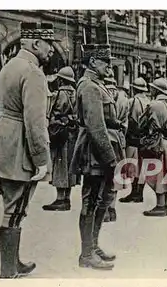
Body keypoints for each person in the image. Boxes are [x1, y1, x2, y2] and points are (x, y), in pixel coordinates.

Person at [0, 22, 57, 278]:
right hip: (20, 148)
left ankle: (14, 262)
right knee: (16, 209)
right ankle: (8, 270)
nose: (51, 51)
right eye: (48, 45)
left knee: (11, 206)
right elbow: (35, 122)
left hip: (3, 143)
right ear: (35, 43)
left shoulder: (10, 66)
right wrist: (42, 160)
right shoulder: (33, 73)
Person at [70, 44, 121, 270]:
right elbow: (96, 126)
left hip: (101, 151)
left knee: (102, 199)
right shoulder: (89, 86)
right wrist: (111, 159)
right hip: (95, 152)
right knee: (90, 200)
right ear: (93, 62)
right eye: (105, 62)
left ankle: (93, 245)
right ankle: (86, 253)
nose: (109, 67)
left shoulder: (97, 85)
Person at [139, 78, 167, 217]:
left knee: (158, 173)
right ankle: (166, 205)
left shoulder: (153, 105)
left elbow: (142, 124)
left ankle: (160, 205)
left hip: (157, 142)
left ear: (157, 90)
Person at [42, 66, 80, 211]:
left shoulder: (59, 94)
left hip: (60, 132)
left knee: (59, 163)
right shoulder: (76, 94)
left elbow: (54, 112)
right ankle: (67, 198)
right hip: (72, 133)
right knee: (70, 164)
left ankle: (60, 198)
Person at [102, 71, 130, 222]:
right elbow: (125, 124)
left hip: (105, 138)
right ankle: (112, 208)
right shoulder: (124, 98)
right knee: (116, 175)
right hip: (119, 139)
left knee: (103, 174)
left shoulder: (100, 93)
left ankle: (104, 209)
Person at [119, 78, 150, 203]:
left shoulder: (132, 101)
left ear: (134, 88)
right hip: (144, 138)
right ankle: (139, 193)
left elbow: (128, 119)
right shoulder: (148, 101)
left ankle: (134, 192)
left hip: (132, 137)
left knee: (133, 165)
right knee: (142, 167)